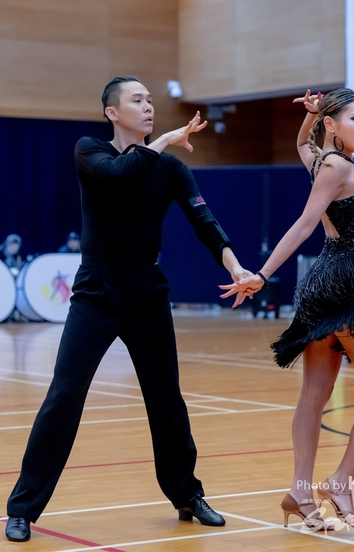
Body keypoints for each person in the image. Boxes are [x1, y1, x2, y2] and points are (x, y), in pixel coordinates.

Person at [5, 76, 251, 543]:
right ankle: (22, 508)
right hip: (97, 289)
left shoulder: (171, 169)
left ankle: (187, 493)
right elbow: (121, 174)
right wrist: (163, 141)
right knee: (64, 395)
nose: (148, 106)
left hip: (147, 291)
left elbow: (205, 221)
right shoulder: (89, 152)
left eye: (151, 100)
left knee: (166, 398)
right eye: (137, 100)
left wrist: (236, 266)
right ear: (112, 112)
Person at [220, 88, 354, 532]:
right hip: (346, 284)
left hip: (325, 283)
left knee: (314, 396)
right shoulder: (337, 166)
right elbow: (305, 223)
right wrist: (262, 275)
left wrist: (309, 118)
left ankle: (301, 492)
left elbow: (303, 145)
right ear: (333, 125)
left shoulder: (326, 164)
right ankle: (340, 482)